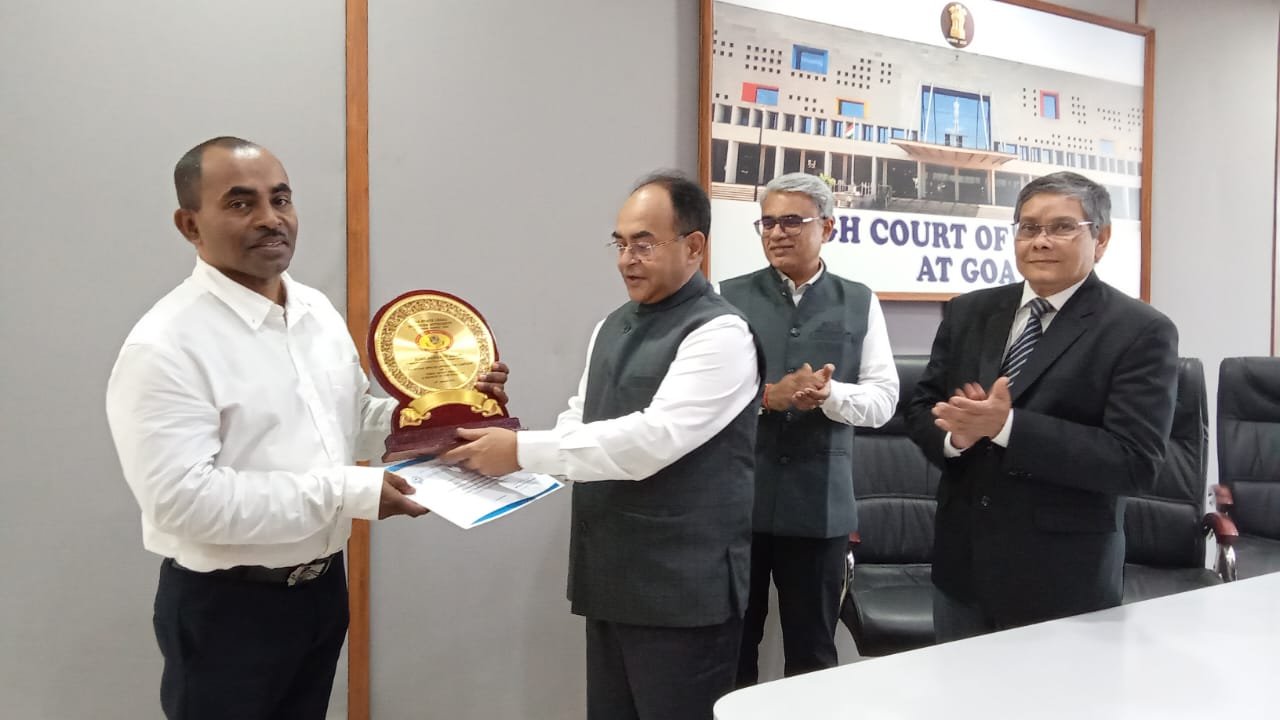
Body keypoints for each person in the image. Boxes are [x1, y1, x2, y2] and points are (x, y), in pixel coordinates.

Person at [105, 136, 509, 720]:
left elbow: (351, 421)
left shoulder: (315, 311)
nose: (271, 218)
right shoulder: (166, 345)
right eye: (241, 203)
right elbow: (183, 503)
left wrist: (445, 411)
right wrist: (350, 492)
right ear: (190, 225)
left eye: (281, 199)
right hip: (227, 610)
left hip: (320, 592)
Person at [441, 172, 761, 720]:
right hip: (611, 574)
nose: (626, 260)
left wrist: (518, 451)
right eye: (620, 243)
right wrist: (494, 445)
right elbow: (579, 421)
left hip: (682, 589)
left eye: (644, 244)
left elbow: (653, 440)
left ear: (694, 246)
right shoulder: (612, 325)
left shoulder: (721, 333)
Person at [905, 171, 1178, 641]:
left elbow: (1135, 462)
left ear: (1101, 238)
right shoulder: (970, 311)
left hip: (1062, 579)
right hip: (961, 569)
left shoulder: (1140, 330)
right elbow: (922, 406)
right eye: (1028, 227)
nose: (1041, 241)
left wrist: (1007, 427)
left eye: (1062, 227)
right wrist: (956, 437)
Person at [720, 172, 898, 684]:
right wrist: (765, 399)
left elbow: (884, 401)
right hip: (739, 503)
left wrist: (832, 396)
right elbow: (703, 402)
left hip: (820, 506)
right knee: (731, 650)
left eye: (792, 221)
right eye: (768, 222)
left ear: (828, 228)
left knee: (814, 658)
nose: (777, 233)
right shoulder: (726, 297)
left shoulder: (859, 300)